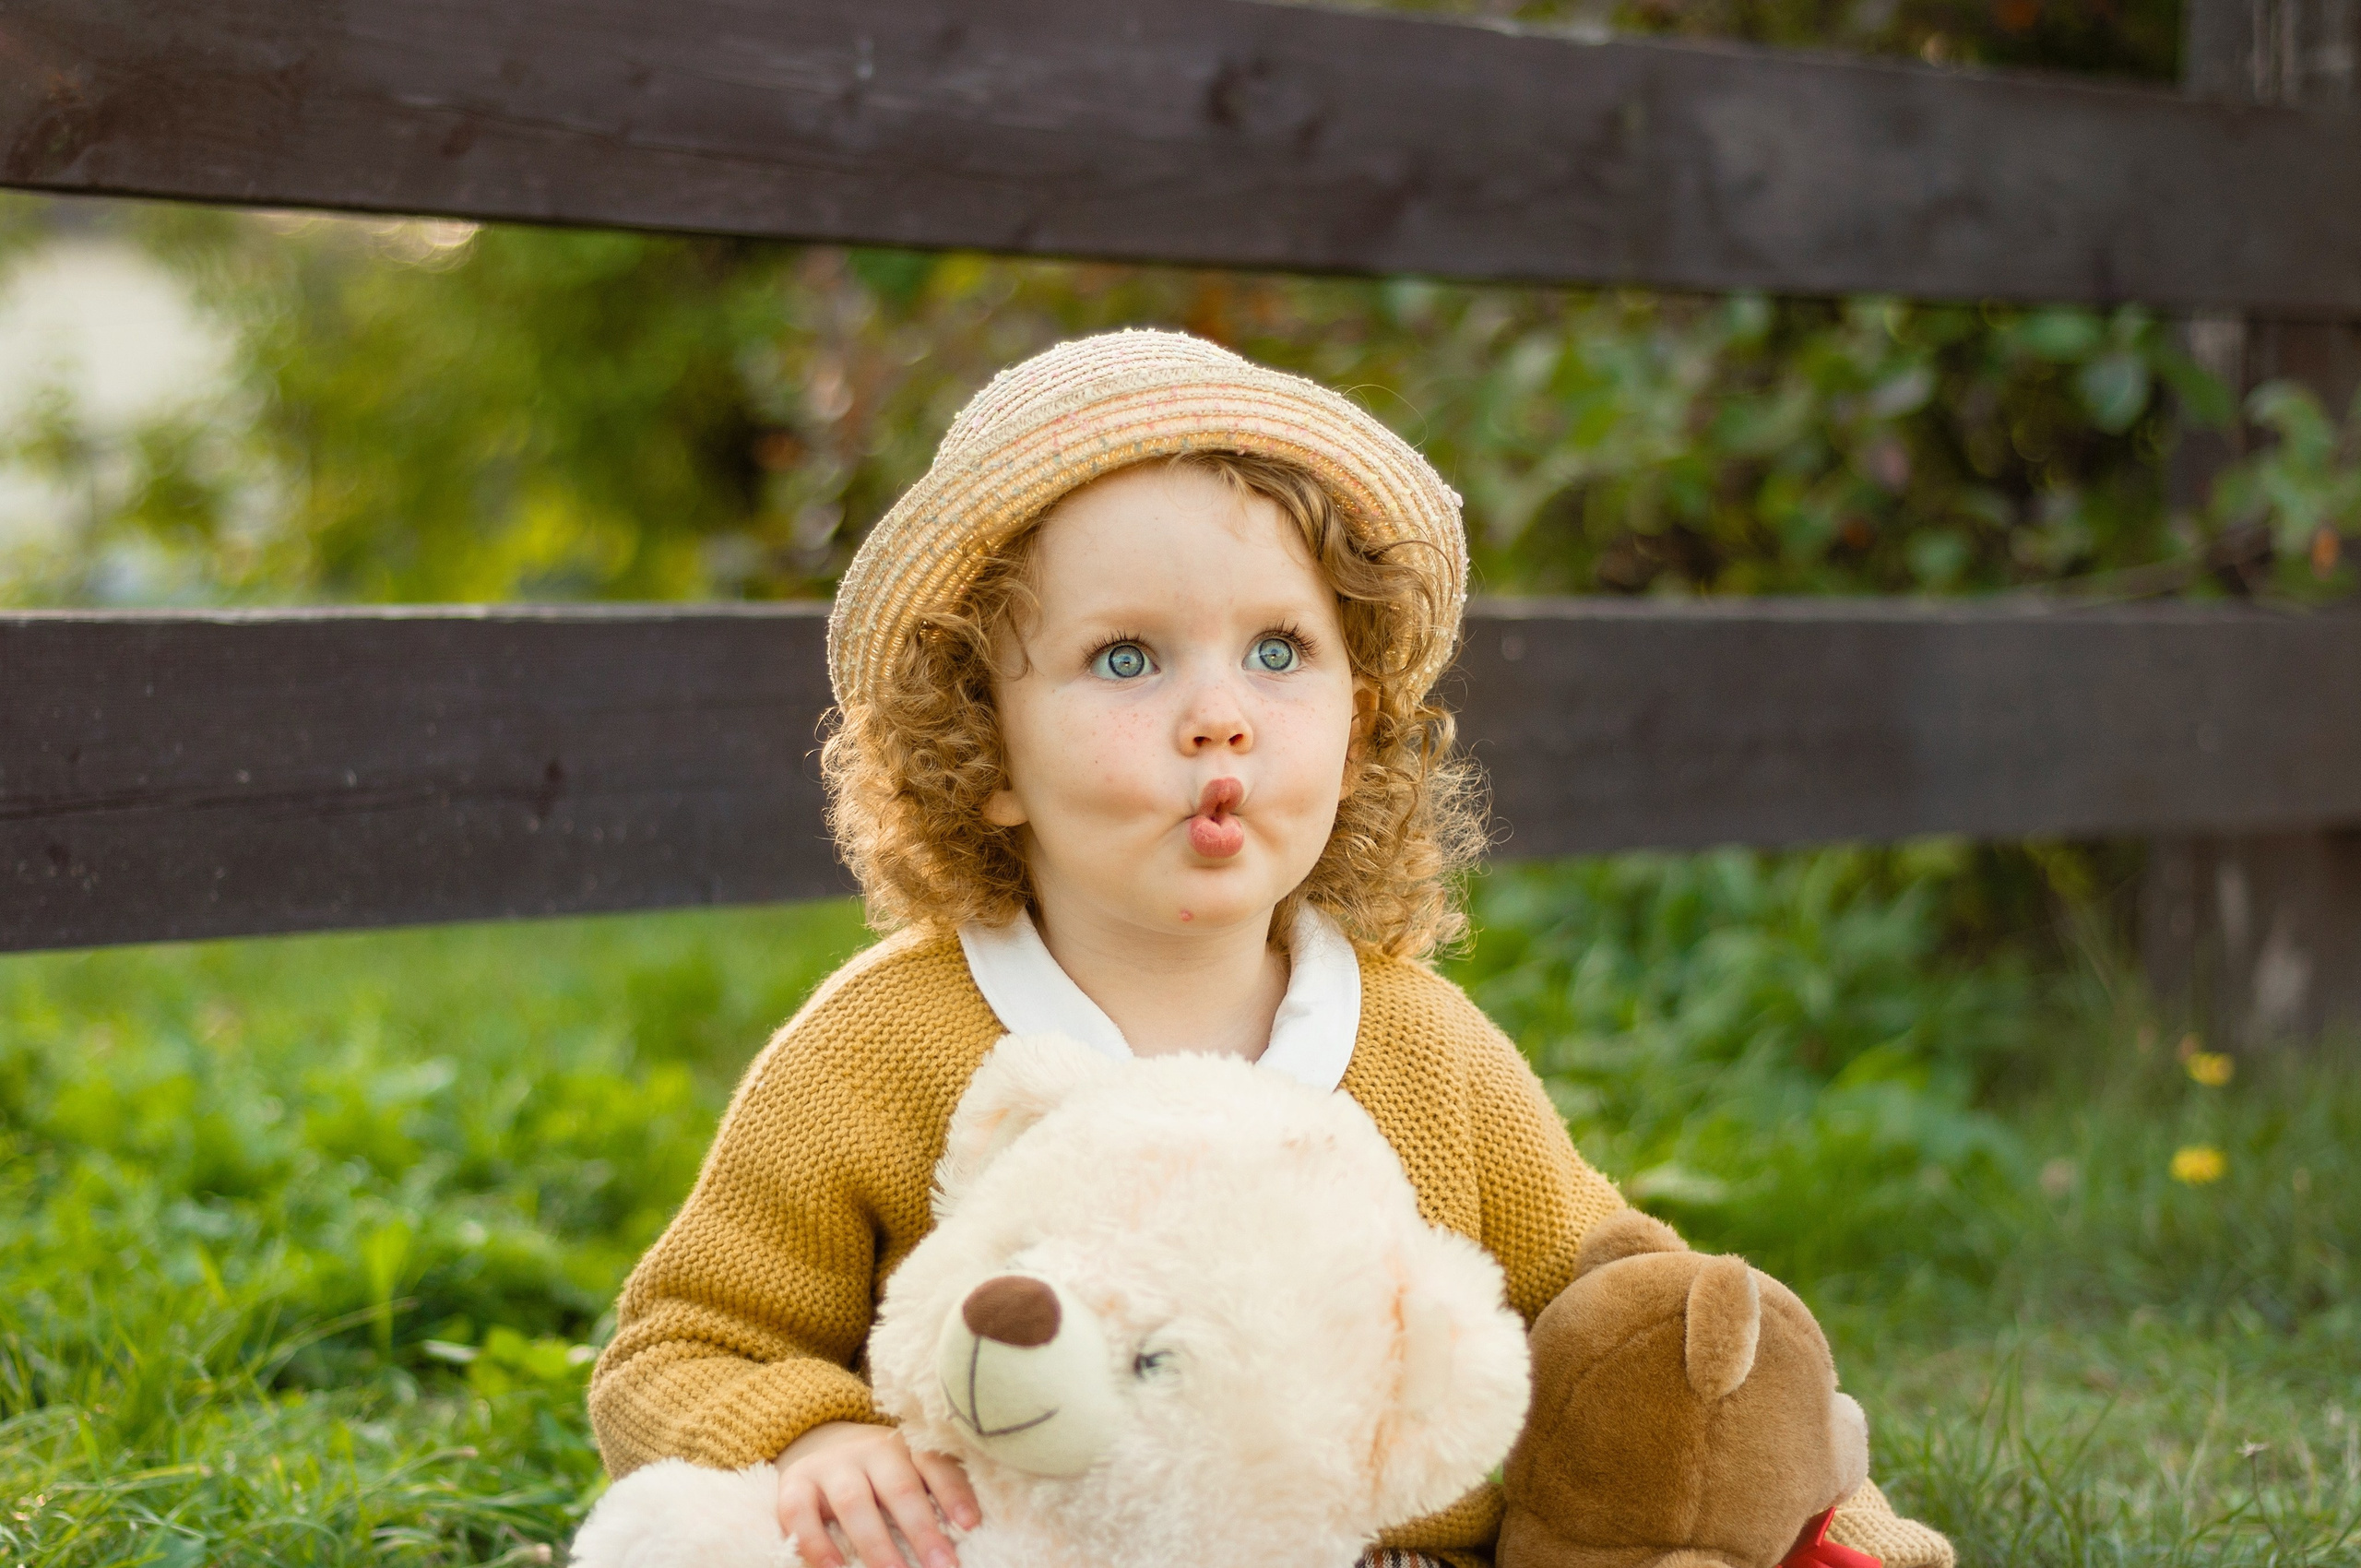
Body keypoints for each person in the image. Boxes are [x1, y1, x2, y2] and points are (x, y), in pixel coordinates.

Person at [585, 329, 1626, 1568]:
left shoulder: (1423, 1051)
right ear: (987, 751)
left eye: (1280, 651)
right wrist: (812, 1436)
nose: (1221, 718)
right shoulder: (883, 1048)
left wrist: (1826, 1508)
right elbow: (678, 1343)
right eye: (1126, 658)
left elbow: (1643, 1331)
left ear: (1358, 723)